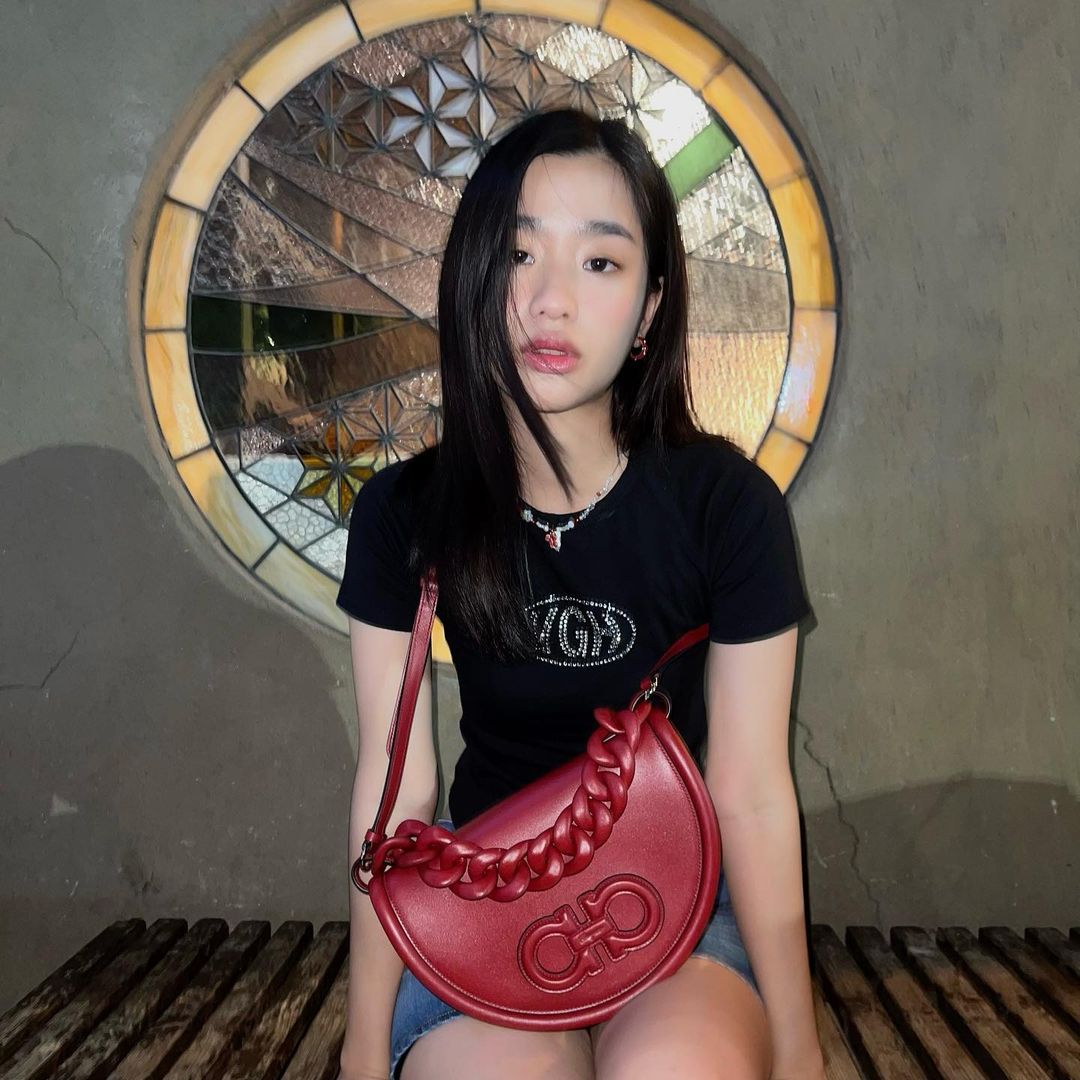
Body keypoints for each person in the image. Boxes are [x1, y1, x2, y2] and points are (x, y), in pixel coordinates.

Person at [335, 107, 824, 1080]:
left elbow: (751, 793)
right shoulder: (405, 512)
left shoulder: (727, 506)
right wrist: (360, 1045)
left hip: (677, 890)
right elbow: (398, 795)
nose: (550, 300)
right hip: (482, 894)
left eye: (601, 262)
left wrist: (801, 1048)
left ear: (648, 313)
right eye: (519, 255)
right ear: (472, 281)